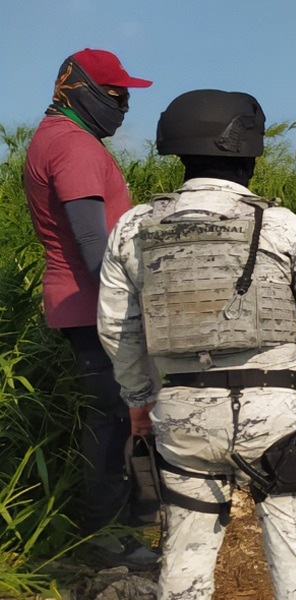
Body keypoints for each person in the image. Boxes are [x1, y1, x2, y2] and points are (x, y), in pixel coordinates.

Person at [97, 89, 296, 599]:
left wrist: (139, 401)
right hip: (276, 417)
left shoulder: (133, 228)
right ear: (251, 152)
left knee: (185, 557)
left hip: (182, 411)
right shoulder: (280, 225)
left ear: (178, 151)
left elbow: (117, 330)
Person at [23, 48, 156, 563]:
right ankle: (103, 538)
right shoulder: (72, 146)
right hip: (94, 304)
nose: (123, 105)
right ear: (81, 89)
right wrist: (136, 303)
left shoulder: (59, 137)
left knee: (119, 416)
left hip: (86, 303)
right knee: (111, 420)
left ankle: (121, 526)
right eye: (116, 94)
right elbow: (92, 243)